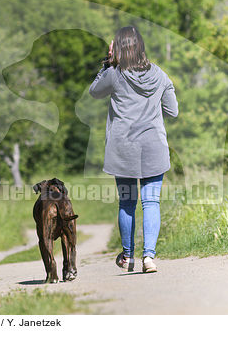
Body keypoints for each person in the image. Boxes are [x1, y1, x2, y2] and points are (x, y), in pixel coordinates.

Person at [89, 26, 178, 273]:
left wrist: (107, 63)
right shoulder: (160, 74)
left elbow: (94, 92)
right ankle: (148, 257)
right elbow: (173, 111)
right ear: (140, 47)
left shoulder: (114, 74)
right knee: (151, 202)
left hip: (123, 149)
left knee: (127, 203)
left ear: (118, 49)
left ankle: (128, 257)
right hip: (154, 148)